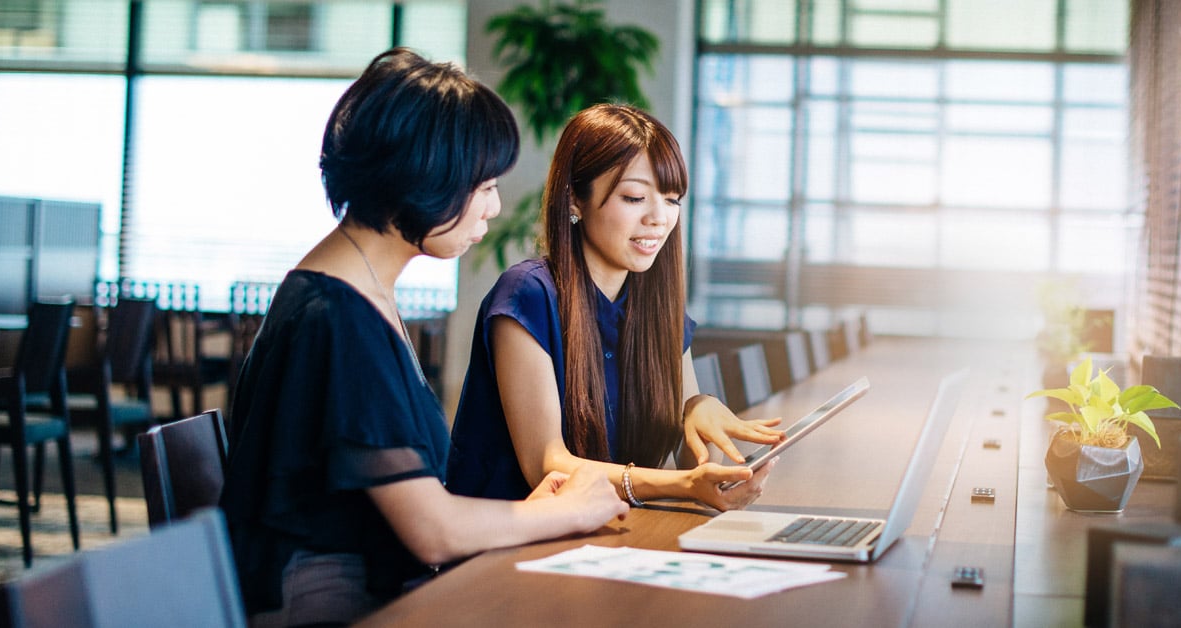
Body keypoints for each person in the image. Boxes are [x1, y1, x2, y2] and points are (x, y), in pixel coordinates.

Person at [219, 48, 628, 627]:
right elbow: (432, 533)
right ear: (426, 179)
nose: (494, 206)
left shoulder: (348, 290)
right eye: (482, 185)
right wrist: (573, 511)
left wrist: (533, 512)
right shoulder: (338, 317)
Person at [447, 103, 784, 512]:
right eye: (635, 197)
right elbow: (547, 468)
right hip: (507, 550)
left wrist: (700, 410)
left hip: (607, 538)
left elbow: (697, 470)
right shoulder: (527, 295)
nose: (659, 218)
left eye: (672, 199)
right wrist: (684, 485)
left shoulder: (658, 308)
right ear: (574, 198)